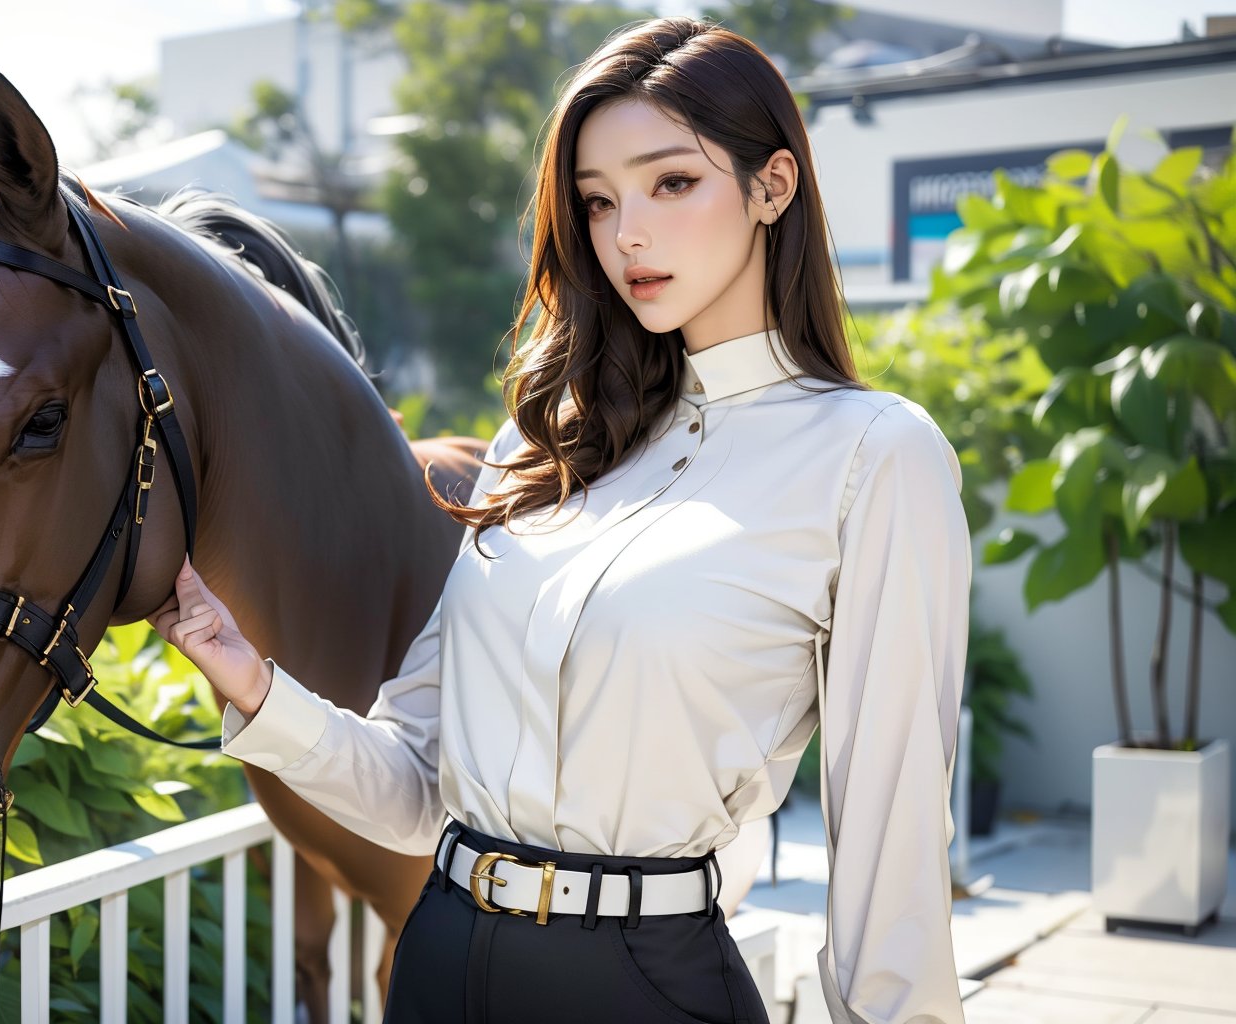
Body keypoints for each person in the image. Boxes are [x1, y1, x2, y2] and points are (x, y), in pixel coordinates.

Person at [151, 16, 971, 1024]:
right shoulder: (540, 442)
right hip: (442, 959)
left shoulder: (873, 456)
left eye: (672, 182)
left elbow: (892, 842)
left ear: (774, 187)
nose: (628, 233)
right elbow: (416, 787)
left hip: (646, 984)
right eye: (597, 200)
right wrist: (251, 679)